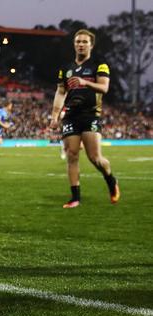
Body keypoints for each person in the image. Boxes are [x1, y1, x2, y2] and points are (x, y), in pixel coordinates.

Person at [49, 29, 119, 208]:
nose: (81, 44)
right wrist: (55, 116)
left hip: (91, 115)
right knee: (72, 155)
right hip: (71, 116)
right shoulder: (66, 69)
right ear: (74, 44)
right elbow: (60, 92)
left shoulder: (99, 65)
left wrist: (85, 82)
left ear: (91, 45)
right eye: (78, 41)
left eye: (84, 42)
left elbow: (104, 88)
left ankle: (111, 180)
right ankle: (75, 198)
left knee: (95, 157)